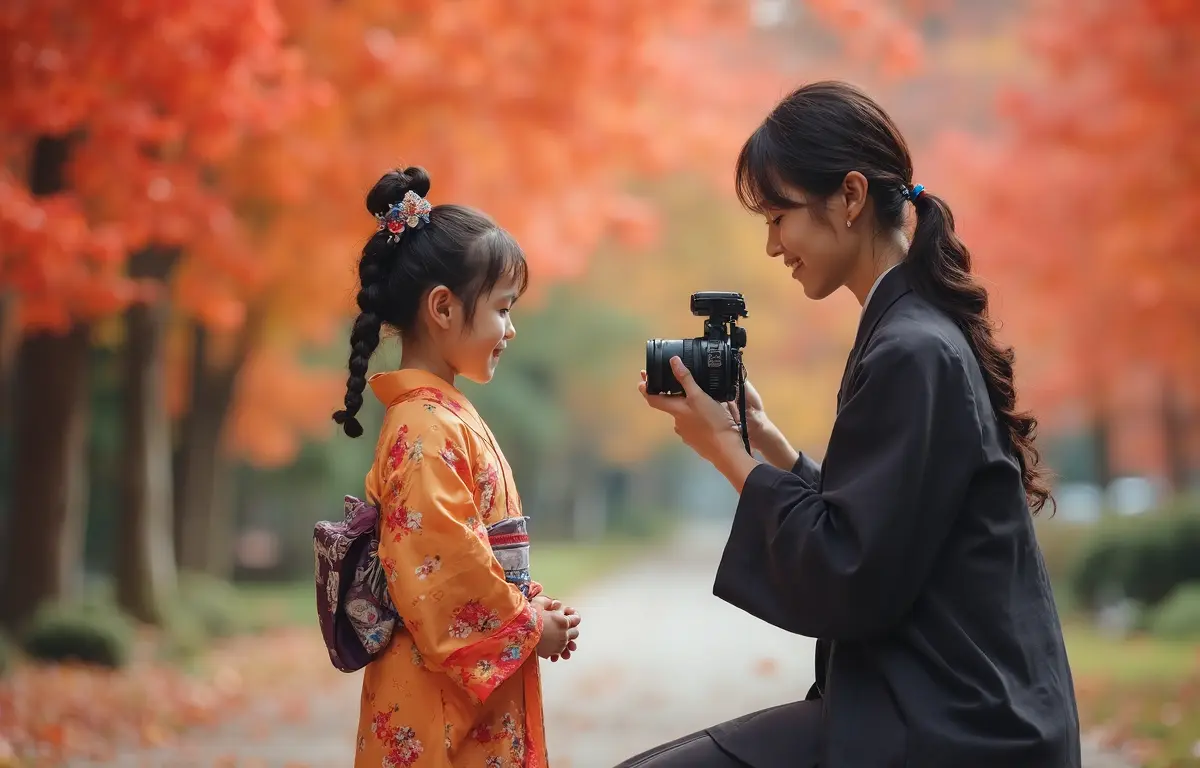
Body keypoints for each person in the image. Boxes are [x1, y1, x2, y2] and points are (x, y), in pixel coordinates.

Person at [630, 81, 1081, 767]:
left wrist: (727, 452)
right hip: (955, 708)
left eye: (779, 216)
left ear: (848, 197)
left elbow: (851, 569)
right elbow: (880, 523)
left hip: (955, 725)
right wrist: (769, 445)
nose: (774, 245)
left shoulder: (911, 348)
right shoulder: (912, 332)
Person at [333, 166, 581, 768]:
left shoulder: (437, 418)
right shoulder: (423, 426)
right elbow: (443, 560)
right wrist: (525, 627)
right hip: (437, 697)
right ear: (442, 307)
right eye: (501, 309)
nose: (510, 329)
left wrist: (530, 606)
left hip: (454, 685)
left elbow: (476, 550)